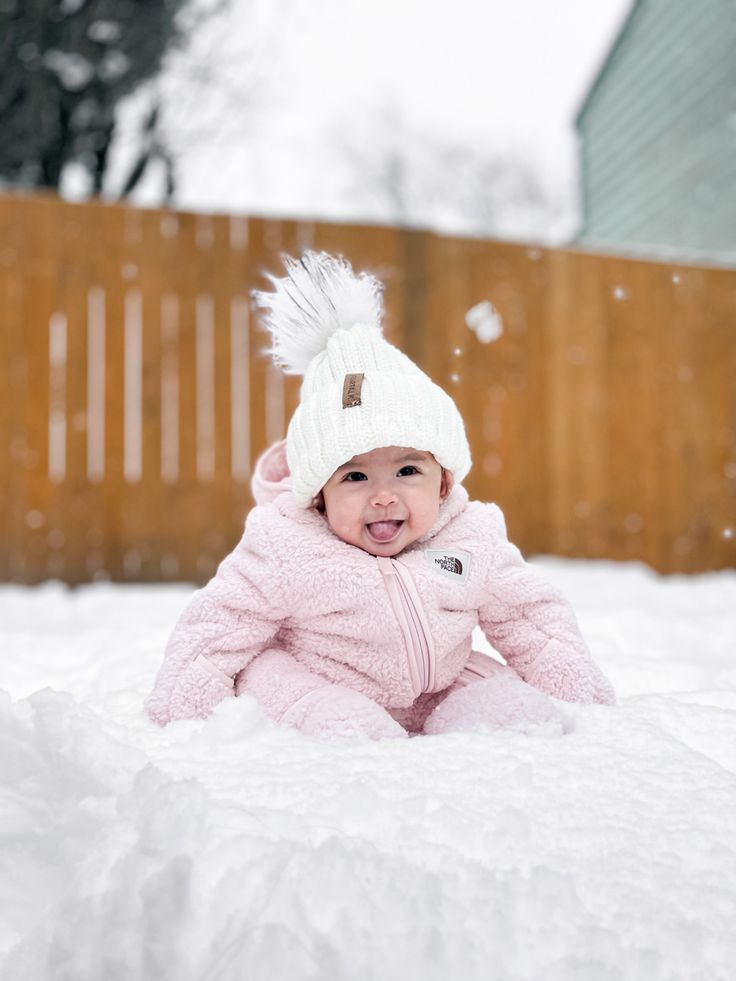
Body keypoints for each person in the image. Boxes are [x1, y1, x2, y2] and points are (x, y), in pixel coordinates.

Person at [146, 251, 615, 738]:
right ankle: (334, 722)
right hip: (315, 682)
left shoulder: (471, 539)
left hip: (436, 689)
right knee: (269, 678)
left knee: (503, 699)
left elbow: (531, 617)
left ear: (444, 481)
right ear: (318, 495)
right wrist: (178, 709)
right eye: (354, 477)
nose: (384, 496)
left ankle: (478, 728)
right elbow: (218, 626)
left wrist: (586, 700)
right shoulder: (287, 547)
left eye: (408, 470)